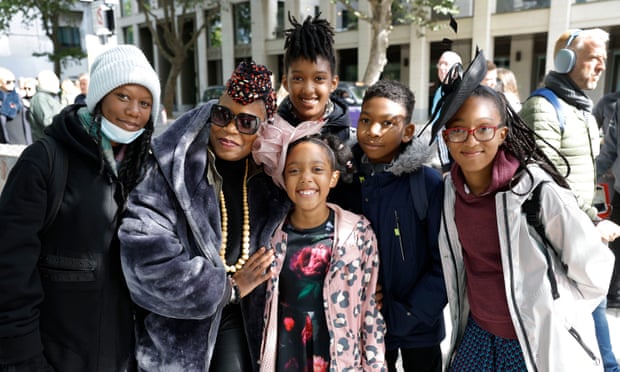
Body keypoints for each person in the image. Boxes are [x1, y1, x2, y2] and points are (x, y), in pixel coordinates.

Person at [429, 49, 613, 371]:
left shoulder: (537, 193)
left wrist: (557, 317)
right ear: (446, 137)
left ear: (502, 134)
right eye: (458, 130)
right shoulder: (449, 192)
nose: (471, 141)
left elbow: (594, 270)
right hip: (477, 336)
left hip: (533, 344)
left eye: (484, 129)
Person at [0, 44, 161, 371]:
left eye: (145, 103)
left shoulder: (147, 169)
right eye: (124, 97)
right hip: (55, 358)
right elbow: (11, 273)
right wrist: (25, 361)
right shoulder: (45, 161)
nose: (134, 111)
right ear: (100, 96)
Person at [118, 61, 283, 371]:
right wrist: (227, 288)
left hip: (254, 326)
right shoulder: (170, 171)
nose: (231, 129)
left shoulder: (273, 181)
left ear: (263, 130)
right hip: (182, 335)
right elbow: (144, 265)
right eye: (222, 115)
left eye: (247, 122)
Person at [329, 80, 446, 372]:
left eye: (388, 123)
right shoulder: (345, 181)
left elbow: (445, 261)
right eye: (366, 120)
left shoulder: (427, 184)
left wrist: (408, 312)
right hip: (367, 325)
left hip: (419, 326)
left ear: (407, 131)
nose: (374, 131)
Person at [520, 28, 620, 372]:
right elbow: (545, 185)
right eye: (594, 58)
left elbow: (582, 179)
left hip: (581, 234)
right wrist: (590, 226)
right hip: (560, 241)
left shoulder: (580, 108)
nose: (601, 68)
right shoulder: (543, 108)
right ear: (566, 60)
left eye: (604, 61)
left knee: (592, 321)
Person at [252, 124, 386, 371]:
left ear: (333, 177)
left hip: (340, 360)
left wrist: (376, 365)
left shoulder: (358, 233)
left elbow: (370, 309)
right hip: (286, 357)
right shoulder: (270, 235)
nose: (306, 178)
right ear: (282, 177)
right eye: (294, 170)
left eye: (317, 170)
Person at [277, 13, 351, 142]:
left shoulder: (353, 142)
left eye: (319, 79)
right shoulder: (269, 137)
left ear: (333, 83)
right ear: (285, 83)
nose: (308, 90)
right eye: (298, 79)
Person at [431, 50, 463, 172]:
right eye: (440, 64)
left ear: (457, 68)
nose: (441, 67)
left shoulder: (463, 91)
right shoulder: (440, 90)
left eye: (446, 64)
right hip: (443, 151)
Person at [0, 67, 32, 145]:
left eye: (14, 81)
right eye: (8, 82)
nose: (12, 84)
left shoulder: (18, 98)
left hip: (23, 141)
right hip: (5, 144)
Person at [29, 69, 62, 141]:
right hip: (47, 144)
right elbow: (47, 122)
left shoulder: (49, 97)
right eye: (55, 80)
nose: (58, 82)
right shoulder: (40, 97)